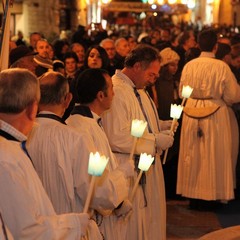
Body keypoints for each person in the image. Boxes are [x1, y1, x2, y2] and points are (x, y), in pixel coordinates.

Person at [0, 68, 91, 239]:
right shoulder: (7, 158)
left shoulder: (12, 147)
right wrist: (73, 225)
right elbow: (26, 231)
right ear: (33, 108)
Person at [102, 44, 174, 240]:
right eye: (151, 74)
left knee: (151, 220)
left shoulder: (140, 90)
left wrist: (161, 125)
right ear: (137, 67)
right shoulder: (116, 91)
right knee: (135, 225)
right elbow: (116, 136)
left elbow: (141, 123)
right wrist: (154, 141)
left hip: (148, 164)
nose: (154, 79)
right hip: (131, 168)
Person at [66, 68, 134, 240]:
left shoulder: (90, 123)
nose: (114, 93)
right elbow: (93, 186)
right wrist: (123, 173)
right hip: (93, 218)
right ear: (100, 96)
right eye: (111, 88)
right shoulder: (82, 129)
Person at [177, 29, 240, 210]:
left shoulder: (189, 65)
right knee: (214, 155)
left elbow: (182, 92)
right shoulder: (221, 67)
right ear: (215, 46)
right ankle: (213, 195)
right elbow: (233, 95)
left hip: (191, 110)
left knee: (193, 155)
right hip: (215, 114)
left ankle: (193, 196)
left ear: (197, 44)